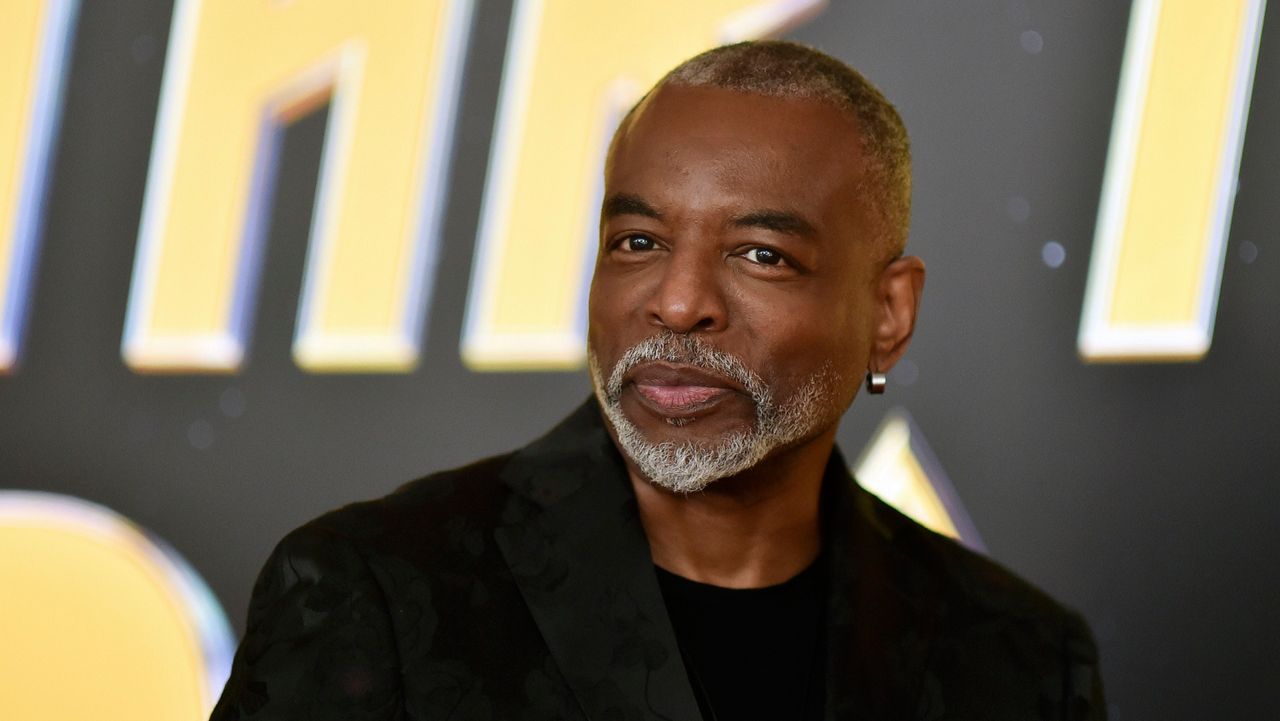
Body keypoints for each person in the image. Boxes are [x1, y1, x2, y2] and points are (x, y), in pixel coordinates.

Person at [211, 41, 1105, 721]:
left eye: (761, 254)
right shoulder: (367, 591)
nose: (677, 303)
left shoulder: (1019, 658)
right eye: (637, 242)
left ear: (888, 314)